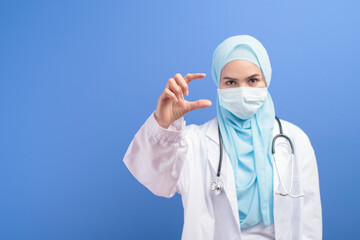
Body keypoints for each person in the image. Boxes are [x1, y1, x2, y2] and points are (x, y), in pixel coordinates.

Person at [123, 35, 322, 240]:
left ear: (266, 79)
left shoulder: (294, 140)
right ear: (219, 84)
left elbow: (309, 219)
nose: (242, 90)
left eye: (253, 80)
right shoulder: (193, 142)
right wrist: (164, 123)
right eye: (230, 82)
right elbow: (156, 178)